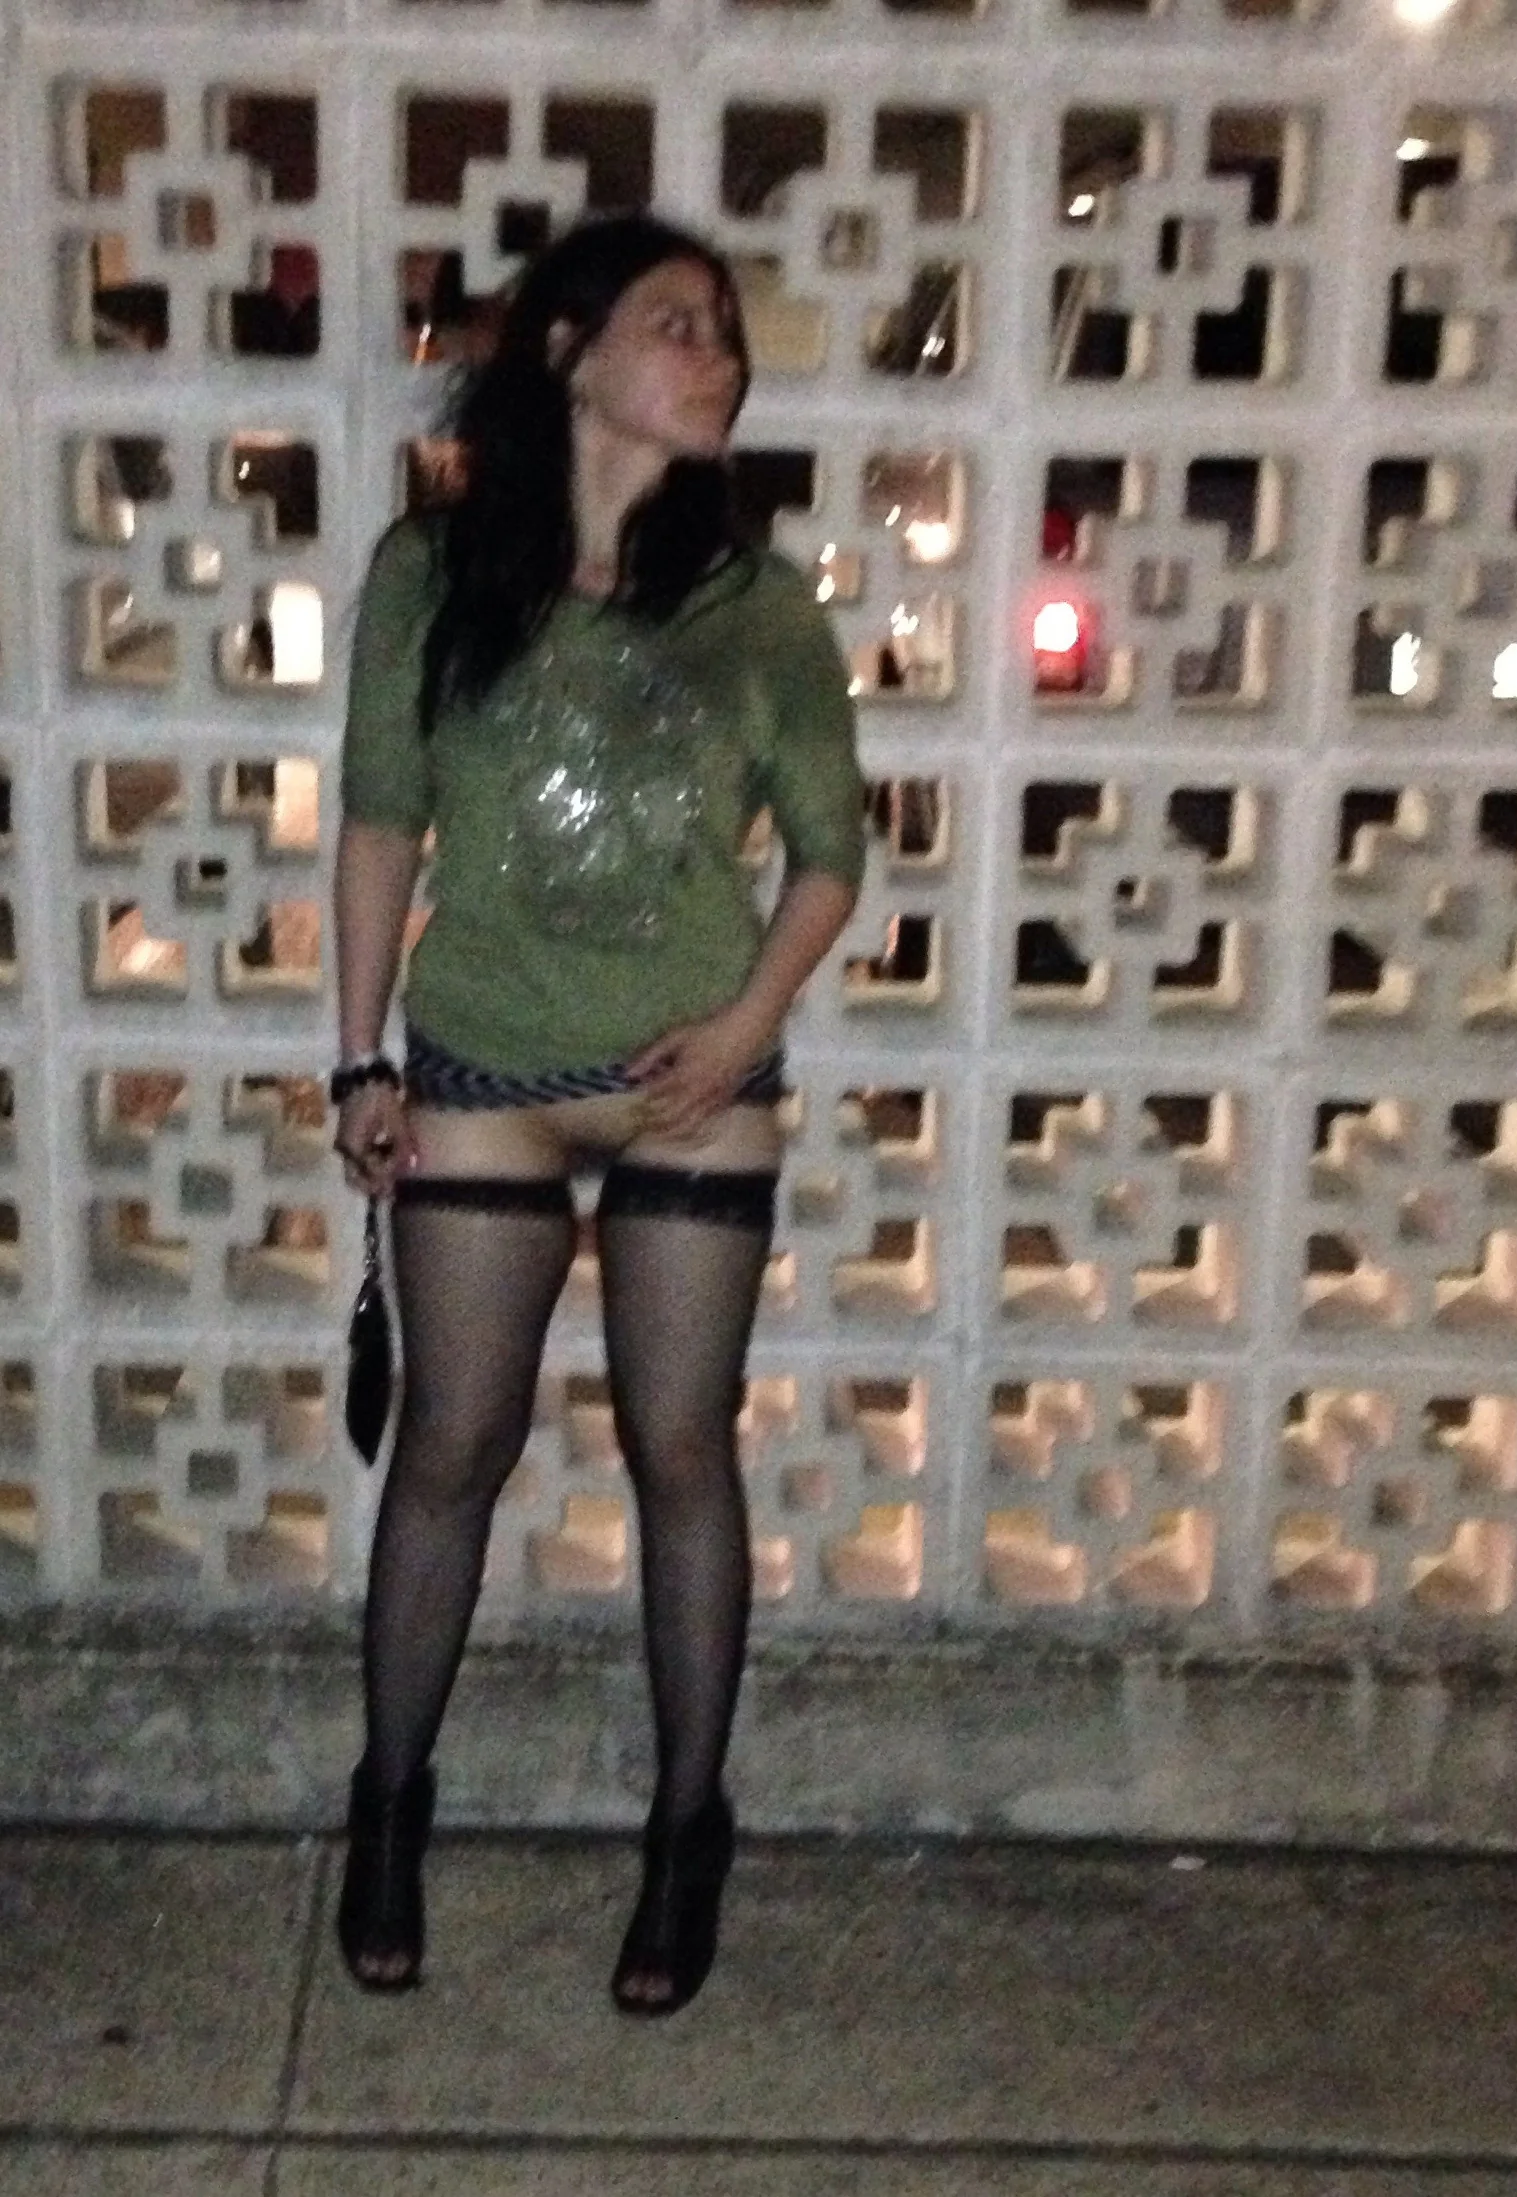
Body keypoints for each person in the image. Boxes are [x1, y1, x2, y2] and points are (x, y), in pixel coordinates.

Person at [331, 213, 865, 2014]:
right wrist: (358, 1059)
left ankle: (686, 1830)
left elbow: (829, 854)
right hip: (482, 1069)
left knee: (680, 1450)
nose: (719, 357)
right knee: (450, 1452)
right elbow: (380, 820)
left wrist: (748, 1023)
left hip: (688, 1091)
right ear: (569, 352)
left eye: (724, 331)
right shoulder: (429, 570)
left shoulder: (757, 605)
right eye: (678, 324)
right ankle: (389, 1805)